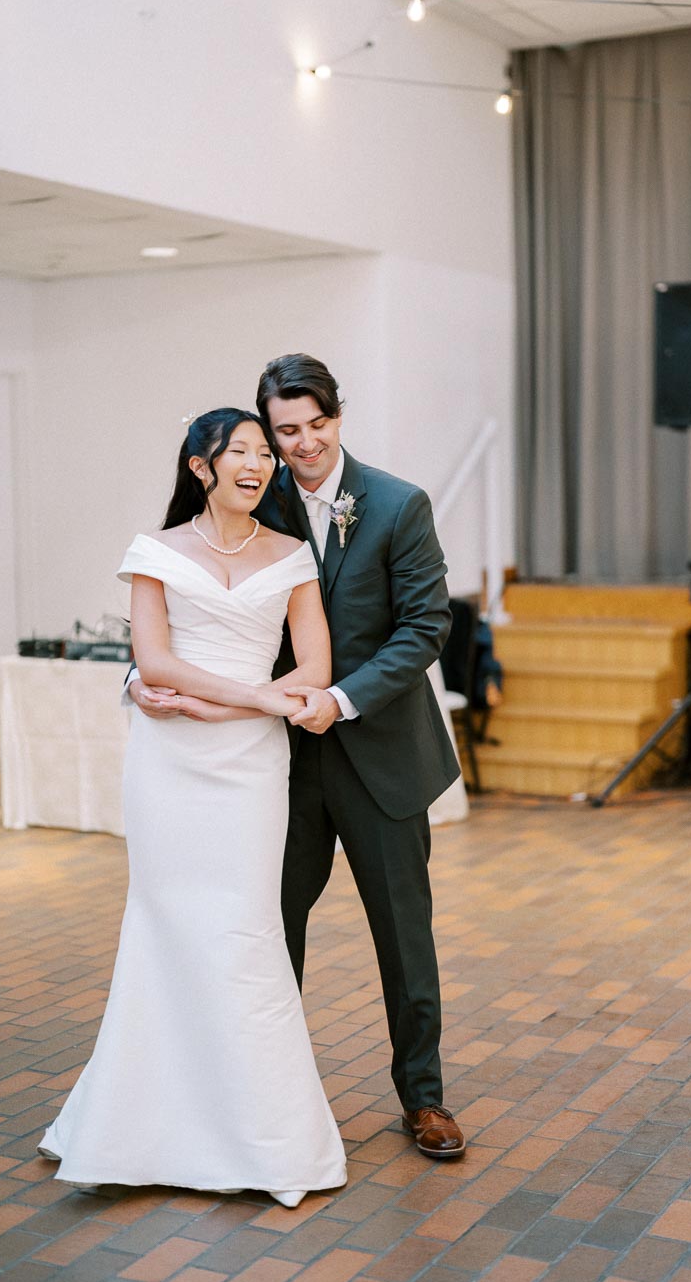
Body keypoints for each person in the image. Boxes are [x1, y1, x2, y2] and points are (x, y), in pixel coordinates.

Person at [131, 356, 466, 1159]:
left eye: (318, 426)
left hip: (379, 752)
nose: (304, 444)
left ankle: (424, 1098)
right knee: (267, 927)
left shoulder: (395, 503)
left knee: (403, 935)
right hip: (274, 761)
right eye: (286, 432)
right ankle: (258, 1091)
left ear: (337, 418)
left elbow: (425, 626)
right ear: (265, 435)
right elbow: (187, 602)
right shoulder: (252, 494)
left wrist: (340, 698)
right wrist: (138, 677)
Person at [39, 408, 347, 1208]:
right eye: (237, 451)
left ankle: (263, 1137)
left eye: (262, 453)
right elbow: (155, 659)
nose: (257, 463)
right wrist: (251, 698)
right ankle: (138, 1128)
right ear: (201, 466)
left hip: (249, 765)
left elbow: (315, 663)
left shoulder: (291, 555)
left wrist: (239, 710)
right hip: (171, 763)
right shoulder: (156, 552)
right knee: (165, 923)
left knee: (245, 927)